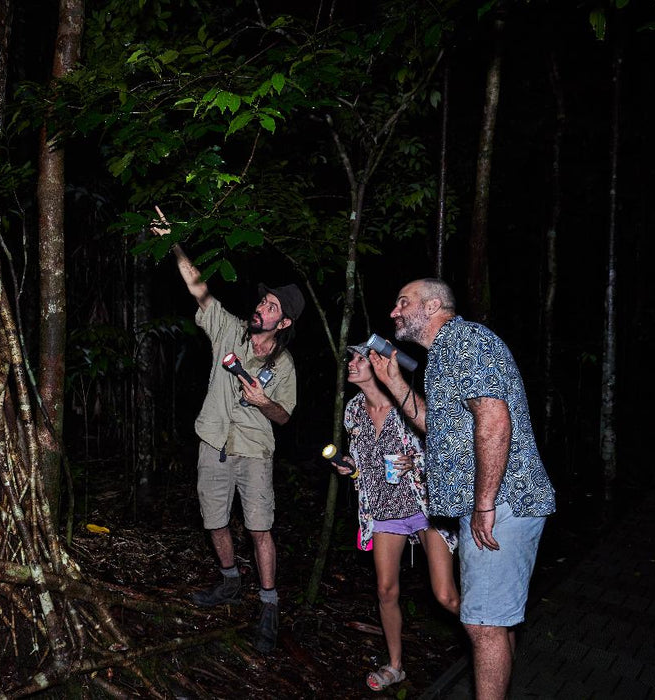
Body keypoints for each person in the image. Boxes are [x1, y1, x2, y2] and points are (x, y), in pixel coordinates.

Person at [370, 278, 556, 700]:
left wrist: (485, 503)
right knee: (493, 620)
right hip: (491, 505)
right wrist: (396, 384)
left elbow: (494, 419)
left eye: (403, 302)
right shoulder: (443, 355)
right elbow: (438, 429)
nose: (394, 312)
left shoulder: (465, 340)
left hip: (504, 502)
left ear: (433, 305)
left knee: (482, 624)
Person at [152, 206, 302, 654]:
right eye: (262, 301)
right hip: (213, 443)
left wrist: (264, 401)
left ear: (284, 322)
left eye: (271, 307)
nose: (261, 307)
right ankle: (229, 581)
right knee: (215, 521)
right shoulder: (229, 331)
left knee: (259, 529)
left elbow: (286, 418)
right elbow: (200, 289)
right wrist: (174, 243)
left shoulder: (285, 365)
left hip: (254, 451)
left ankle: (269, 605)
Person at [333, 342, 460, 692]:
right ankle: (395, 666)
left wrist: (414, 462)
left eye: (360, 359)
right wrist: (350, 468)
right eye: (353, 359)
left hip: (425, 506)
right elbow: (365, 462)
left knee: (445, 594)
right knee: (386, 590)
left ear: (377, 366)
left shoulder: (407, 405)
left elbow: (446, 446)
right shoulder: (353, 410)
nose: (352, 364)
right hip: (384, 511)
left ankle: (487, 636)